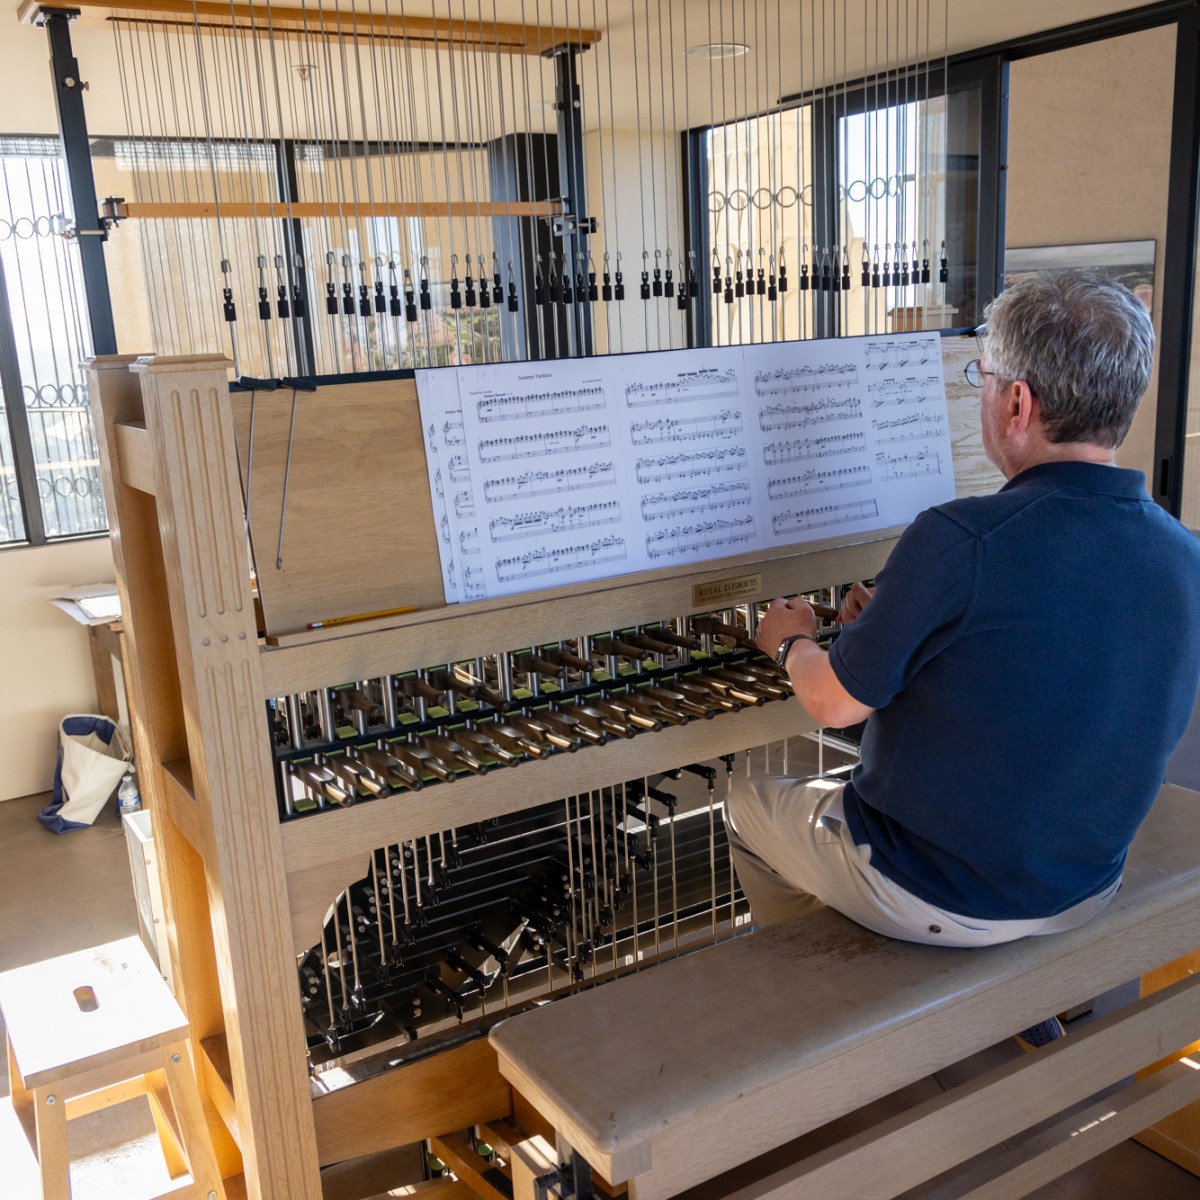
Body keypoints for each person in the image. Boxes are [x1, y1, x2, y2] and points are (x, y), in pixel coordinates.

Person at [726, 272, 1200, 997]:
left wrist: (791, 641)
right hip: (1085, 879)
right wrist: (889, 628)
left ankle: (828, 1001)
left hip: (937, 891)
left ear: (1018, 402)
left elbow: (830, 704)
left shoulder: (961, 538)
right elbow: (1050, 666)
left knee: (746, 800)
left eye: (984, 377)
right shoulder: (1184, 553)